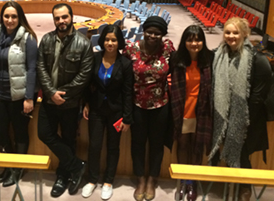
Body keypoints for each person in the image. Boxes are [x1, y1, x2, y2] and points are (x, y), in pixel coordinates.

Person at [208, 17, 272, 201]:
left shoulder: (258, 60)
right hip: (221, 114)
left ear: (245, 34)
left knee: (242, 154)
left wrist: (240, 119)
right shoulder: (218, 55)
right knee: (225, 149)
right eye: (227, 32)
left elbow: (258, 97)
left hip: (246, 118)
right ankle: (228, 184)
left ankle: (244, 187)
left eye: (235, 32)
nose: (231, 36)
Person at [37, 3, 94, 197]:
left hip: (69, 103)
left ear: (72, 17)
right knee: (44, 133)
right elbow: (41, 67)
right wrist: (51, 92)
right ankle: (77, 166)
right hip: (48, 100)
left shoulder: (84, 43)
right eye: (57, 18)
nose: (61, 21)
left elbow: (84, 76)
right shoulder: (46, 39)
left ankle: (63, 176)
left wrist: (62, 94)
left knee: (69, 140)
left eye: (64, 17)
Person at [123, 16, 175, 201]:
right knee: (137, 144)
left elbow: (176, 69)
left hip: (161, 105)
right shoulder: (132, 49)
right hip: (137, 104)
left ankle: (152, 179)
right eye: (149, 32)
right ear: (143, 31)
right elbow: (122, 72)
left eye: (157, 33)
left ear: (162, 35)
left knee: (156, 144)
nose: (153, 35)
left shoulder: (168, 48)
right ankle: (140, 180)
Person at [0, 1, 38, 187]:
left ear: (20, 18)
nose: (10, 20)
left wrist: (28, 97)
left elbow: (32, 69)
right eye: (6, 16)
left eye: (14, 16)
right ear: (2, 17)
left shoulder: (28, 38)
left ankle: (17, 169)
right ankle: (9, 165)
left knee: (20, 134)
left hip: (19, 97)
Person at [82, 25, 133, 200]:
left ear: (119, 42)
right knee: (94, 146)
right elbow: (87, 83)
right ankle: (92, 179)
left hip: (116, 112)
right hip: (96, 109)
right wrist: (87, 103)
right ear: (102, 41)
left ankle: (108, 181)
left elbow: (128, 92)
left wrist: (127, 117)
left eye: (114, 40)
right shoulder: (95, 58)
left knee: (113, 147)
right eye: (107, 39)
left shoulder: (125, 64)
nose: (110, 43)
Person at [169, 25, 214, 201]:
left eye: (198, 39)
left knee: (197, 148)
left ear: (203, 41)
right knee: (183, 146)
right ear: (184, 41)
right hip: (181, 109)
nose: (194, 43)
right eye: (190, 39)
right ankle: (182, 181)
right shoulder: (176, 58)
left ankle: (192, 182)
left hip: (202, 111)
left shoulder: (210, 59)